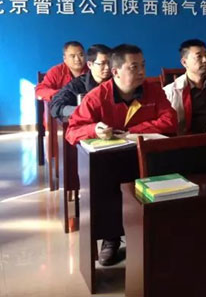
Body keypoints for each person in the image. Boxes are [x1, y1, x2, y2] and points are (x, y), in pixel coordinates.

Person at [66, 44, 177, 267]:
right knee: (107, 186)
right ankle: (111, 237)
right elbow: (72, 131)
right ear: (115, 71)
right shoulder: (97, 96)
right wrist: (94, 129)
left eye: (143, 65)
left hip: (145, 157)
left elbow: (170, 120)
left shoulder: (153, 90)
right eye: (134, 67)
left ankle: (155, 232)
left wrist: (132, 131)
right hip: (110, 163)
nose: (141, 72)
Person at [49, 44, 112, 123]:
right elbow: (56, 106)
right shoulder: (77, 85)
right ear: (90, 65)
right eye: (102, 63)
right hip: (90, 125)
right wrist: (81, 110)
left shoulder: (118, 81)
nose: (107, 67)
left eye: (110, 63)